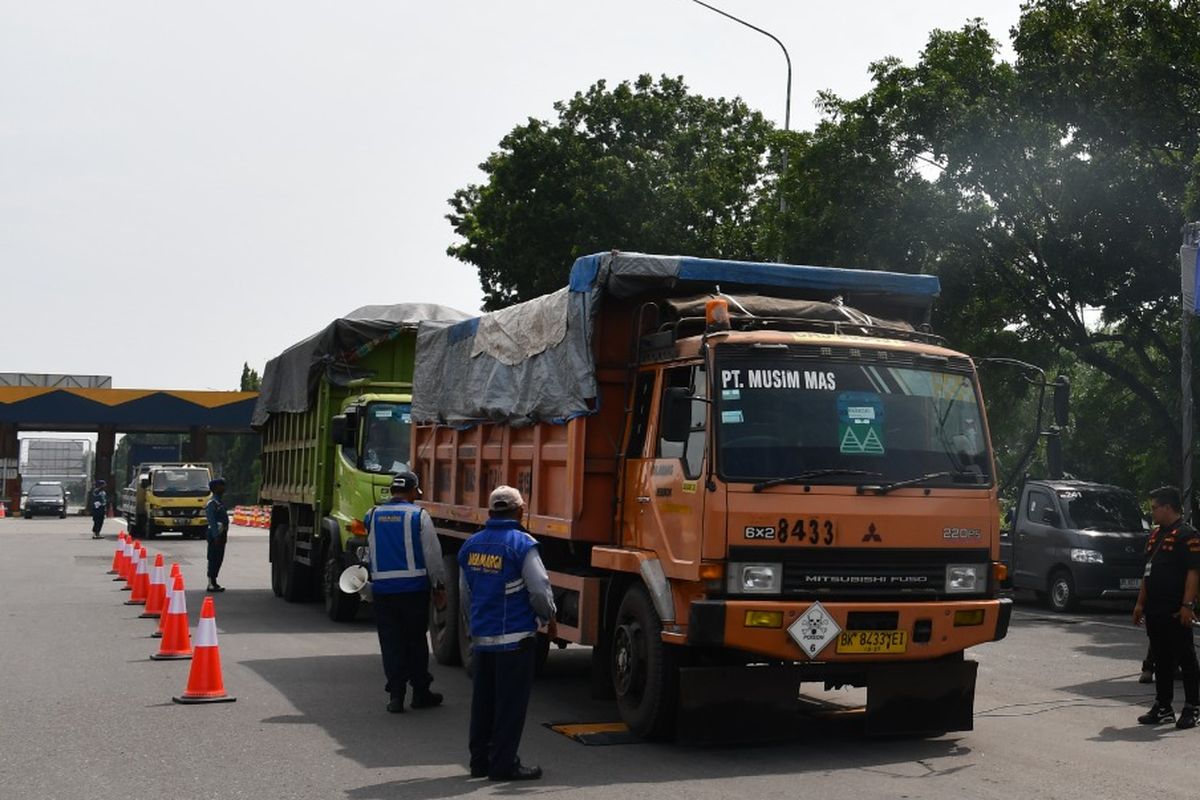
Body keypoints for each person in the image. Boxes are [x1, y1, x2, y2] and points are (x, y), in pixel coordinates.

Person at [459, 486, 556, 782]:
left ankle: (479, 762)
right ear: (520, 511)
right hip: (515, 641)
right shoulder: (522, 544)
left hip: (483, 641)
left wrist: (473, 626)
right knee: (509, 708)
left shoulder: (471, 545)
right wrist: (548, 617)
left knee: (483, 703)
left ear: (490, 512)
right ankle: (504, 765)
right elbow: (539, 589)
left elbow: (465, 594)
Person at [364, 471, 447, 713]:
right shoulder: (419, 516)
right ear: (412, 492)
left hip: (383, 591)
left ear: (392, 491)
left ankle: (396, 696)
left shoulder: (372, 515)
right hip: (413, 590)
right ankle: (420, 692)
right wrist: (439, 586)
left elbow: (369, 551)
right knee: (415, 642)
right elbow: (433, 555)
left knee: (391, 643)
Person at [1133, 486, 1200, 729]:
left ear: (1168, 508)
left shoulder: (1187, 535)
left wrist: (1187, 604)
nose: (1152, 513)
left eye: (1155, 508)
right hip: (1155, 608)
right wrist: (1140, 603)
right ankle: (1163, 706)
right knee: (1161, 658)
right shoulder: (1155, 536)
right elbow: (1147, 572)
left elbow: (1194, 573)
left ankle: (1193, 706)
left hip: (1176, 608)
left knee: (1185, 657)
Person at [205, 478, 230, 592]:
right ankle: (211, 582)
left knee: (219, 559)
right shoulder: (212, 503)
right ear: (214, 489)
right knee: (213, 558)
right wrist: (216, 536)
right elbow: (211, 521)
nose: (223, 488)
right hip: (215, 535)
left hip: (221, 534)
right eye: (221, 486)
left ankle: (215, 581)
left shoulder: (219, 502)